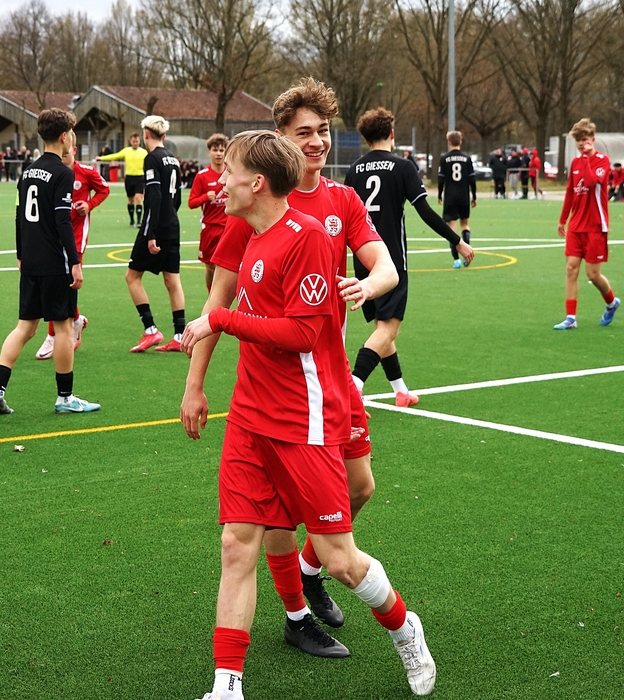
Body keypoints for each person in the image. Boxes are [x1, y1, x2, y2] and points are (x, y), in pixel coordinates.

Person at [182, 130, 435, 700]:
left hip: (304, 418)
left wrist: (220, 321)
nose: (220, 180)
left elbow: (301, 334)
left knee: (340, 559)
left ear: (257, 183)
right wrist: (198, 373)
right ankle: (226, 686)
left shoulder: (309, 238)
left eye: (228, 171)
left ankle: (404, 628)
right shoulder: (247, 233)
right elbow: (226, 302)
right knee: (236, 544)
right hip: (249, 416)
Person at [345, 108, 475, 409]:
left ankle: (401, 390)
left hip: (362, 259)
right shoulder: (402, 166)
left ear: (365, 139)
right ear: (392, 134)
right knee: (389, 328)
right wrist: (457, 241)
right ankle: (353, 388)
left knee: (383, 328)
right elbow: (425, 211)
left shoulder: (353, 170)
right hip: (390, 261)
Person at [0, 108, 100, 415]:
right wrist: (75, 262)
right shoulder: (63, 173)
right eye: (71, 134)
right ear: (64, 137)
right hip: (55, 262)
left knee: (25, 326)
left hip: (31, 261)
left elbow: (19, 217)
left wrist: (21, 254)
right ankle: (65, 398)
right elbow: (62, 221)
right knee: (63, 327)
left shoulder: (27, 172)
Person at [35, 131, 110, 360]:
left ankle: (52, 335)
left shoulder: (86, 172)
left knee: (65, 282)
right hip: (53, 236)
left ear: (73, 150)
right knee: (56, 282)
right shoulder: (53, 172)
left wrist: (89, 204)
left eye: (66, 153)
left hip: (76, 237)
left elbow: (104, 189)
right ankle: (76, 320)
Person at [124, 116, 187, 353]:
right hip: (172, 225)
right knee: (172, 280)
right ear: (165, 135)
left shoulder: (151, 158)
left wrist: (150, 233)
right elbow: (177, 197)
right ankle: (179, 335)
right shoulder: (173, 158)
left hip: (156, 227)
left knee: (132, 277)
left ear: (146, 134)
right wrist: (170, 216)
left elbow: (154, 196)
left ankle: (151, 330)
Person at [554, 117, 621, 331]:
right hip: (576, 226)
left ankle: (611, 302)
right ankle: (570, 318)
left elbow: (592, 182)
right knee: (571, 269)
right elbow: (570, 193)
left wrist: (586, 159)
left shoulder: (602, 160)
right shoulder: (575, 163)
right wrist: (563, 219)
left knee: (592, 275)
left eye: (585, 139)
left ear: (593, 139)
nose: (582, 144)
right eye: (578, 141)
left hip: (595, 226)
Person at [188, 133, 230, 290]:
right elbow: (191, 203)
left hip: (229, 228)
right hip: (210, 228)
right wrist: (205, 197)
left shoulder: (232, 174)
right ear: (209, 152)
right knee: (210, 267)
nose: (218, 154)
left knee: (232, 268)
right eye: (215, 150)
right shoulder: (202, 176)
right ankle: (211, 297)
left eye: (221, 150)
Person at [437, 130, 476, 269]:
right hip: (464, 196)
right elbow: (472, 179)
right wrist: (474, 196)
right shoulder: (467, 159)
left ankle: (456, 260)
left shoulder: (444, 159)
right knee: (464, 225)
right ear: (461, 142)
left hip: (450, 197)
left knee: (452, 230)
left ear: (449, 142)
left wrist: (439, 194)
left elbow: (441, 179)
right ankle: (467, 256)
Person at [98, 132, 148, 227]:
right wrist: (101, 158)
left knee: (138, 199)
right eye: (133, 141)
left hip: (140, 178)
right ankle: (132, 220)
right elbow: (115, 156)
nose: (135, 143)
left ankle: (139, 221)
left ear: (139, 141)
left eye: (137, 141)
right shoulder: (126, 151)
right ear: (130, 141)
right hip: (129, 178)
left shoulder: (144, 152)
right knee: (130, 200)